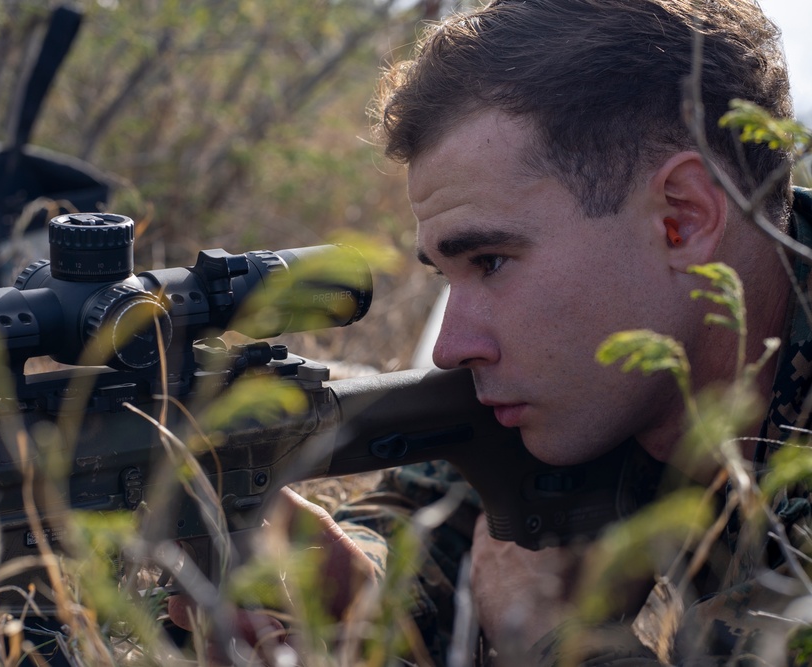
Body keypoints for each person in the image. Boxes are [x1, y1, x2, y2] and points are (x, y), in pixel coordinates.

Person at [172, 0, 812, 664]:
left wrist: (550, 639)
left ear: (680, 217)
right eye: (449, 275)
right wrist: (363, 591)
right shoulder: (589, 384)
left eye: (491, 262)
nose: (451, 346)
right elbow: (437, 514)